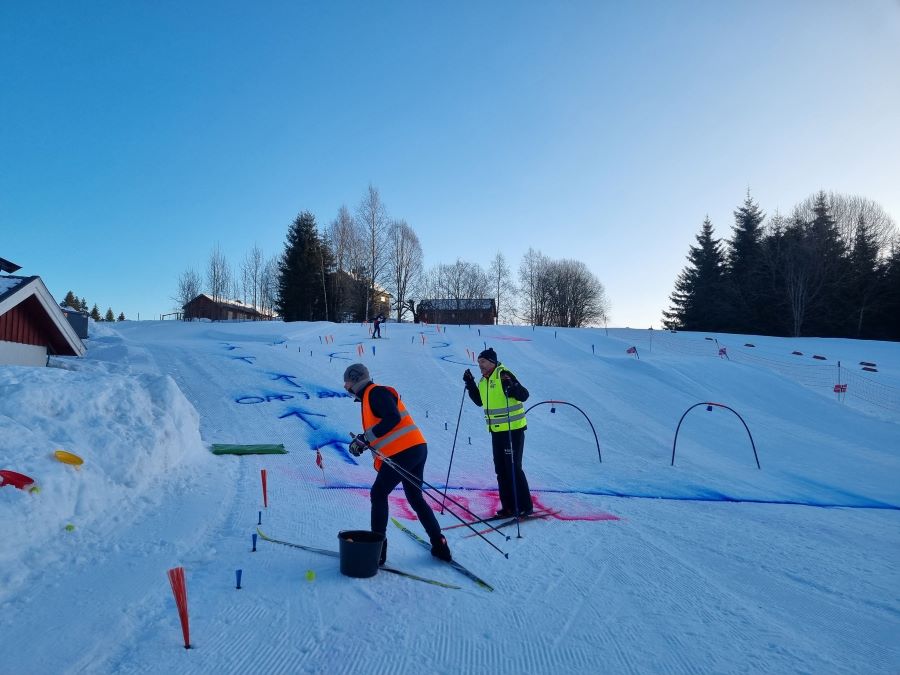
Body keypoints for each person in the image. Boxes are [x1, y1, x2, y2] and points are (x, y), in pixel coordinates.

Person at [343, 362, 451, 564]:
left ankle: (377, 552)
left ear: (356, 380)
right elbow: (382, 427)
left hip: (403, 452)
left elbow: (392, 418)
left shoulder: (375, 393)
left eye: (347, 383)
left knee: (378, 494)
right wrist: (363, 440)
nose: (346, 388)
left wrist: (366, 439)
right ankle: (440, 545)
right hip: (415, 448)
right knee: (415, 497)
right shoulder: (370, 397)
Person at [463, 347, 534, 517]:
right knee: (501, 469)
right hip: (497, 432)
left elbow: (524, 395)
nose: (480, 365)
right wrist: (470, 383)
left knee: (513, 468)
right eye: (479, 362)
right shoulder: (483, 381)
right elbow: (479, 401)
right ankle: (509, 506)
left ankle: (525, 506)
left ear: (492, 362)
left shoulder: (503, 374)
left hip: (513, 430)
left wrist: (512, 387)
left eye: (483, 362)